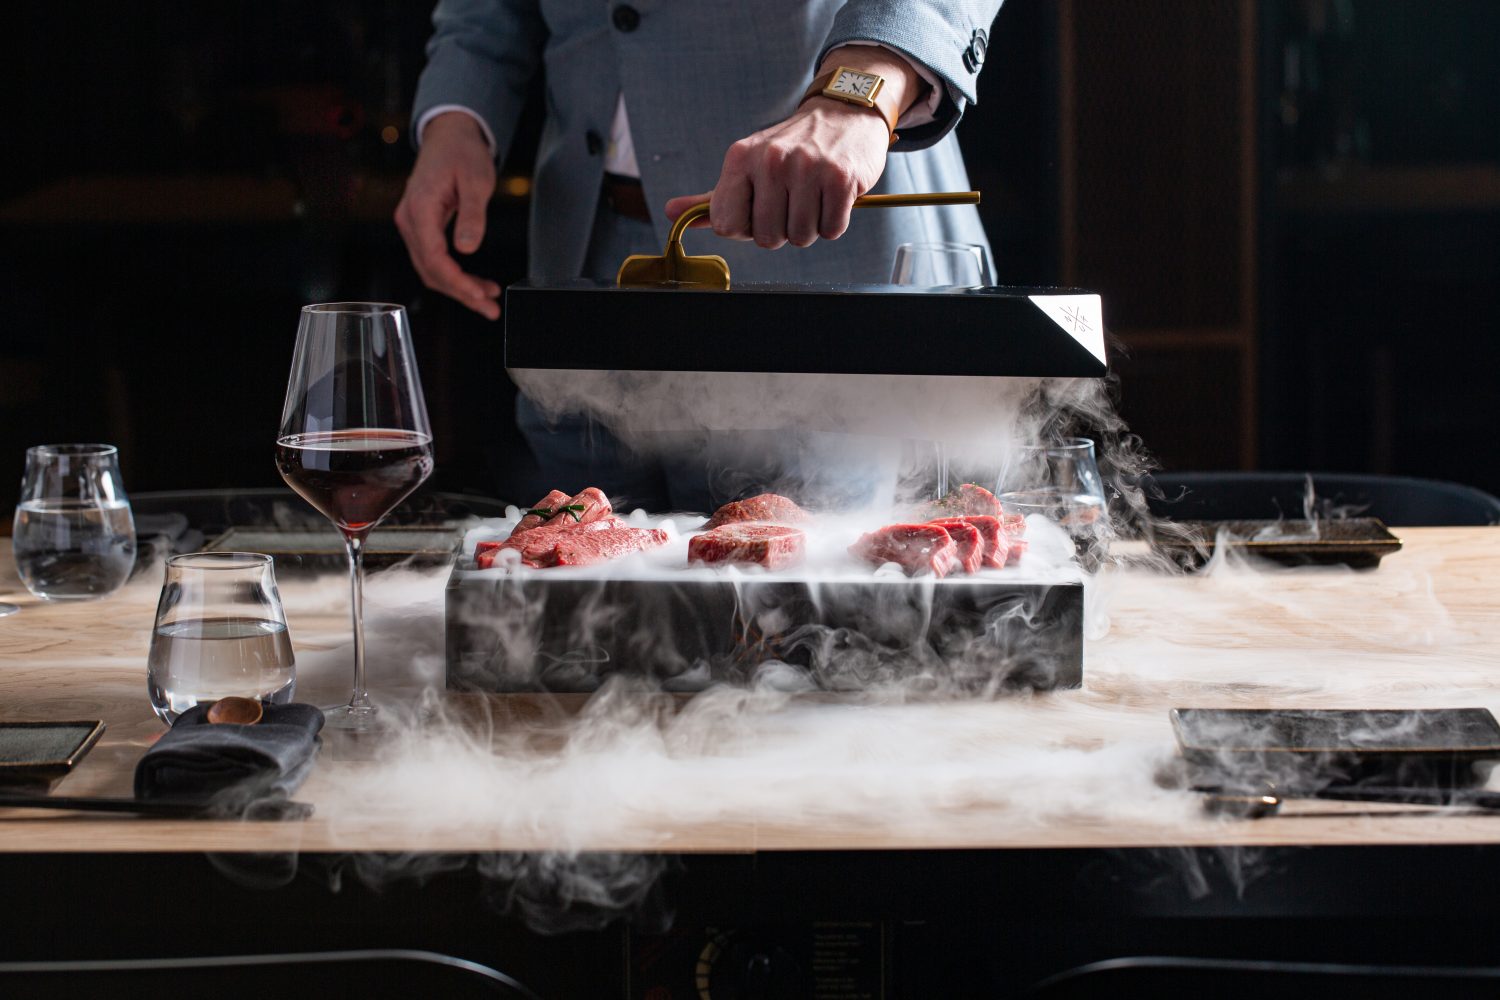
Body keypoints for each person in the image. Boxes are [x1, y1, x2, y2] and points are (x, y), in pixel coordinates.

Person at [397, 1, 1004, 509]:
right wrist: (458, 113)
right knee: (590, 630)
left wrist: (857, 91)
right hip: (583, 266)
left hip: (813, 251)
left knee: (819, 629)